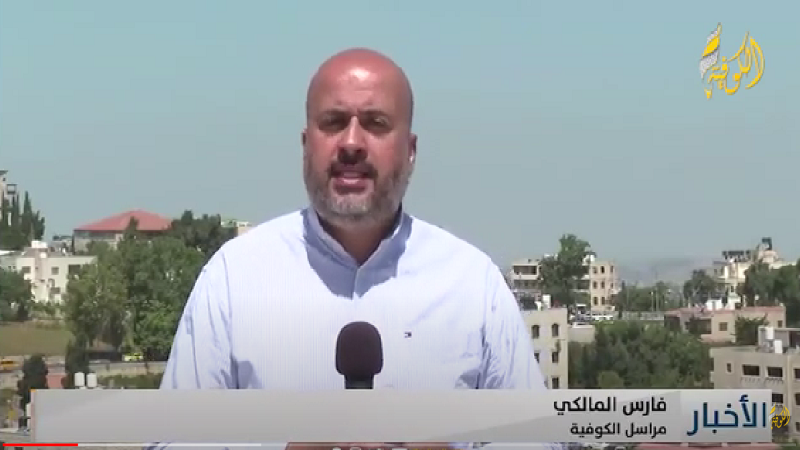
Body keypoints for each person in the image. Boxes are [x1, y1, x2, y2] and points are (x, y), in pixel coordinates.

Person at [160, 48, 560, 450]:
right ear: (306, 144)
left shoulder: (473, 285)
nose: (351, 143)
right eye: (333, 123)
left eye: (376, 124)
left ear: (411, 150)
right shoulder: (233, 278)